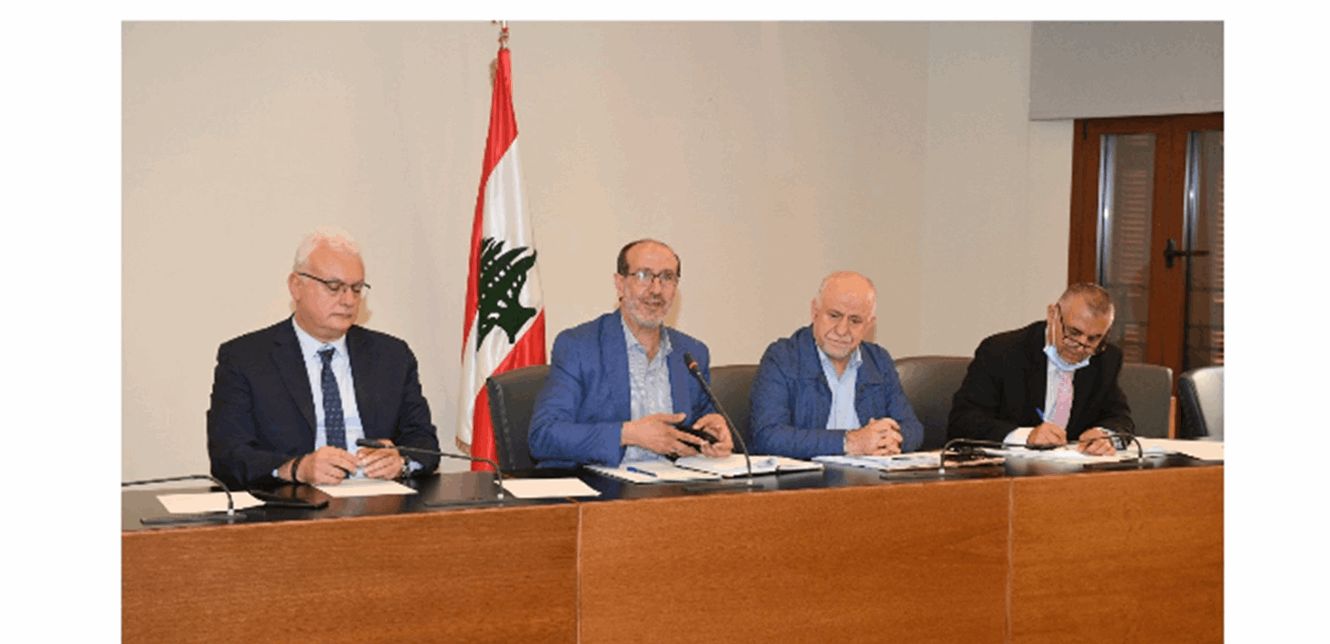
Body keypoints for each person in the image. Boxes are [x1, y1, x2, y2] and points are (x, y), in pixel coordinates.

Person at [207, 228, 441, 488]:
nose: (349, 300)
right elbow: (228, 456)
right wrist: (296, 468)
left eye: (356, 289)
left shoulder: (392, 356)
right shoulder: (246, 359)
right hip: (292, 502)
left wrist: (402, 461)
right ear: (296, 286)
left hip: (380, 501)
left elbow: (424, 442)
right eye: (334, 287)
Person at [529, 239, 734, 468]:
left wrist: (714, 433)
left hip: (675, 482)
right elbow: (544, 435)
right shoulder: (579, 346)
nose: (656, 290)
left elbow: (703, 422)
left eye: (667, 277)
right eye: (644, 275)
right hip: (602, 485)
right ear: (620, 284)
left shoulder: (692, 353)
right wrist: (628, 434)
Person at [749, 271, 923, 459]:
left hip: (869, 475)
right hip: (810, 476)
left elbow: (912, 428)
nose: (842, 330)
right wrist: (850, 442)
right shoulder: (783, 358)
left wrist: (892, 439)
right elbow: (768, 436)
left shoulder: (878, 361)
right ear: (815, 311)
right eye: (834, 316)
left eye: (855, 321)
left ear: (869, 324)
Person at [946, 282, 1132, 455]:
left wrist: (1105, 434)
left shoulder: (1106, 359)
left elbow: (1120, 418)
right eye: (1073, 333)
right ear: (1053, 315)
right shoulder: (1001, 352)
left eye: (1094, 339)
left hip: (1074, 471)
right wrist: (1025, 437)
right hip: (1008, 470)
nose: (1081, 346)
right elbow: (963, 421)